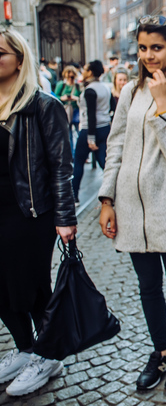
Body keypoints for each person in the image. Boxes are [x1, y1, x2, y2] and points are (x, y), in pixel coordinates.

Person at [98, 16, 166, 392]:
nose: (148, 56)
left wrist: (162, 105)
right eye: (143, 48)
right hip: (130, 204)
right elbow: (116, 144)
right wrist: (107, 198)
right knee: (147, 285)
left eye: (156, 47)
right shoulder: (129, 92)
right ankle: (160, 351)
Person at [0, 28, 77, 396]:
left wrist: (65, 217)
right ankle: (24, 347)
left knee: (29, 287)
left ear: (19, 59)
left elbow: (62, 167)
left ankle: (47, 354)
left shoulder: (42, 105)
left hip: (29, 213)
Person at [71, 60, 111, 205]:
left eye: (86, 69)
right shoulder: (105, 88)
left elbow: (91, 115)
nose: (84, 71)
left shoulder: (90, 90)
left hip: (90, 129)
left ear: (91, 72)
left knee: (78, 162)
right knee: (104, 162)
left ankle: (74, 196)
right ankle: (112, 192)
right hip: (105, 128)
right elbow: (111, 106)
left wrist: (91, 138)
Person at [54, 65, 81, 153]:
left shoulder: (77, 86)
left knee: (78, 133)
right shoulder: (61, 85)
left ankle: (79, 152)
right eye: (68, 76)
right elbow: (55, 97)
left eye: (72, 77)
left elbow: (82, 97)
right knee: (68, 134)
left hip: (76, 110)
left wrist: (75, 98)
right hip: (65, 110)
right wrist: (63, 98)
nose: (70, 78)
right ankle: (71, 153)